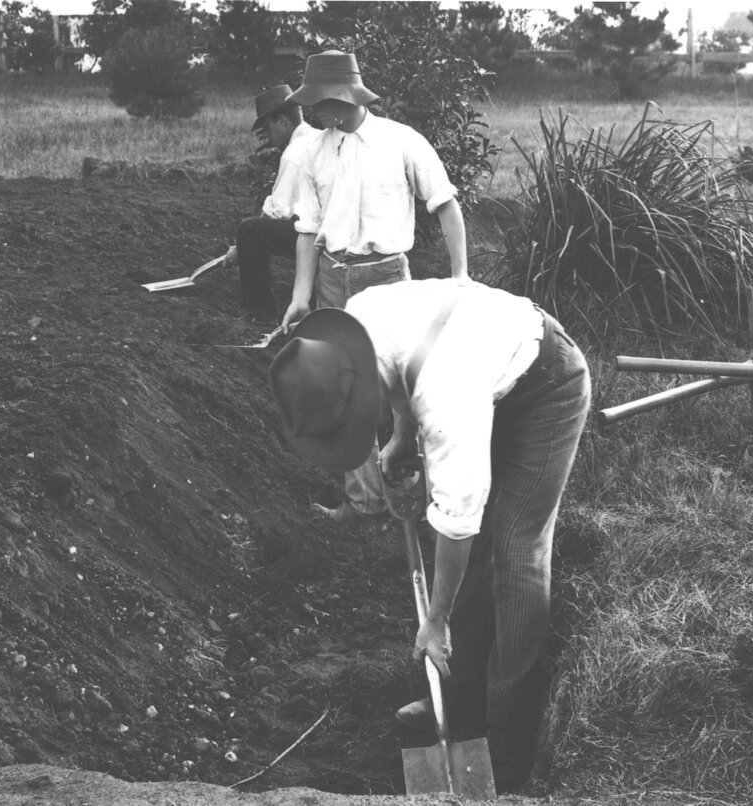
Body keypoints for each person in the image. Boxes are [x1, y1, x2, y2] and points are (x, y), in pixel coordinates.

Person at [267, 277, 591, 794]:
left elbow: (457, 521)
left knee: (515, 553)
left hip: (545, 386)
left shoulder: (447, 398)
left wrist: (436, 622)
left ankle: (506, 742)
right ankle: (460, 702)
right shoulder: (361, 322)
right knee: (475, 555)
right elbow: (402, 367)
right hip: (484, 371)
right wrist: (401, 437)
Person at [281, 50, 470, 524]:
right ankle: (363, 502)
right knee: (342, 390)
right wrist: (301, 297)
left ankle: (422, 494)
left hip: (385, 278)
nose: (311, 111)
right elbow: (307, 229)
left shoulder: (401, 141)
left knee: (405, 387)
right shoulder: (312, 152)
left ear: (342, 98)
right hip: (333, 277)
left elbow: (446, 204)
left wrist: (460, 276)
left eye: (318, 102)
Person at [223, 84, 317, 324]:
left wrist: (240, 248)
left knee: (250, 231)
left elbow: (278, 211)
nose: (269, 137)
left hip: (318, 237)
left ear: (283, 121)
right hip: (332, 230)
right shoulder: (317, 138)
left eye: (268, 129)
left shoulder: (295, 152)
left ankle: (259, 316)